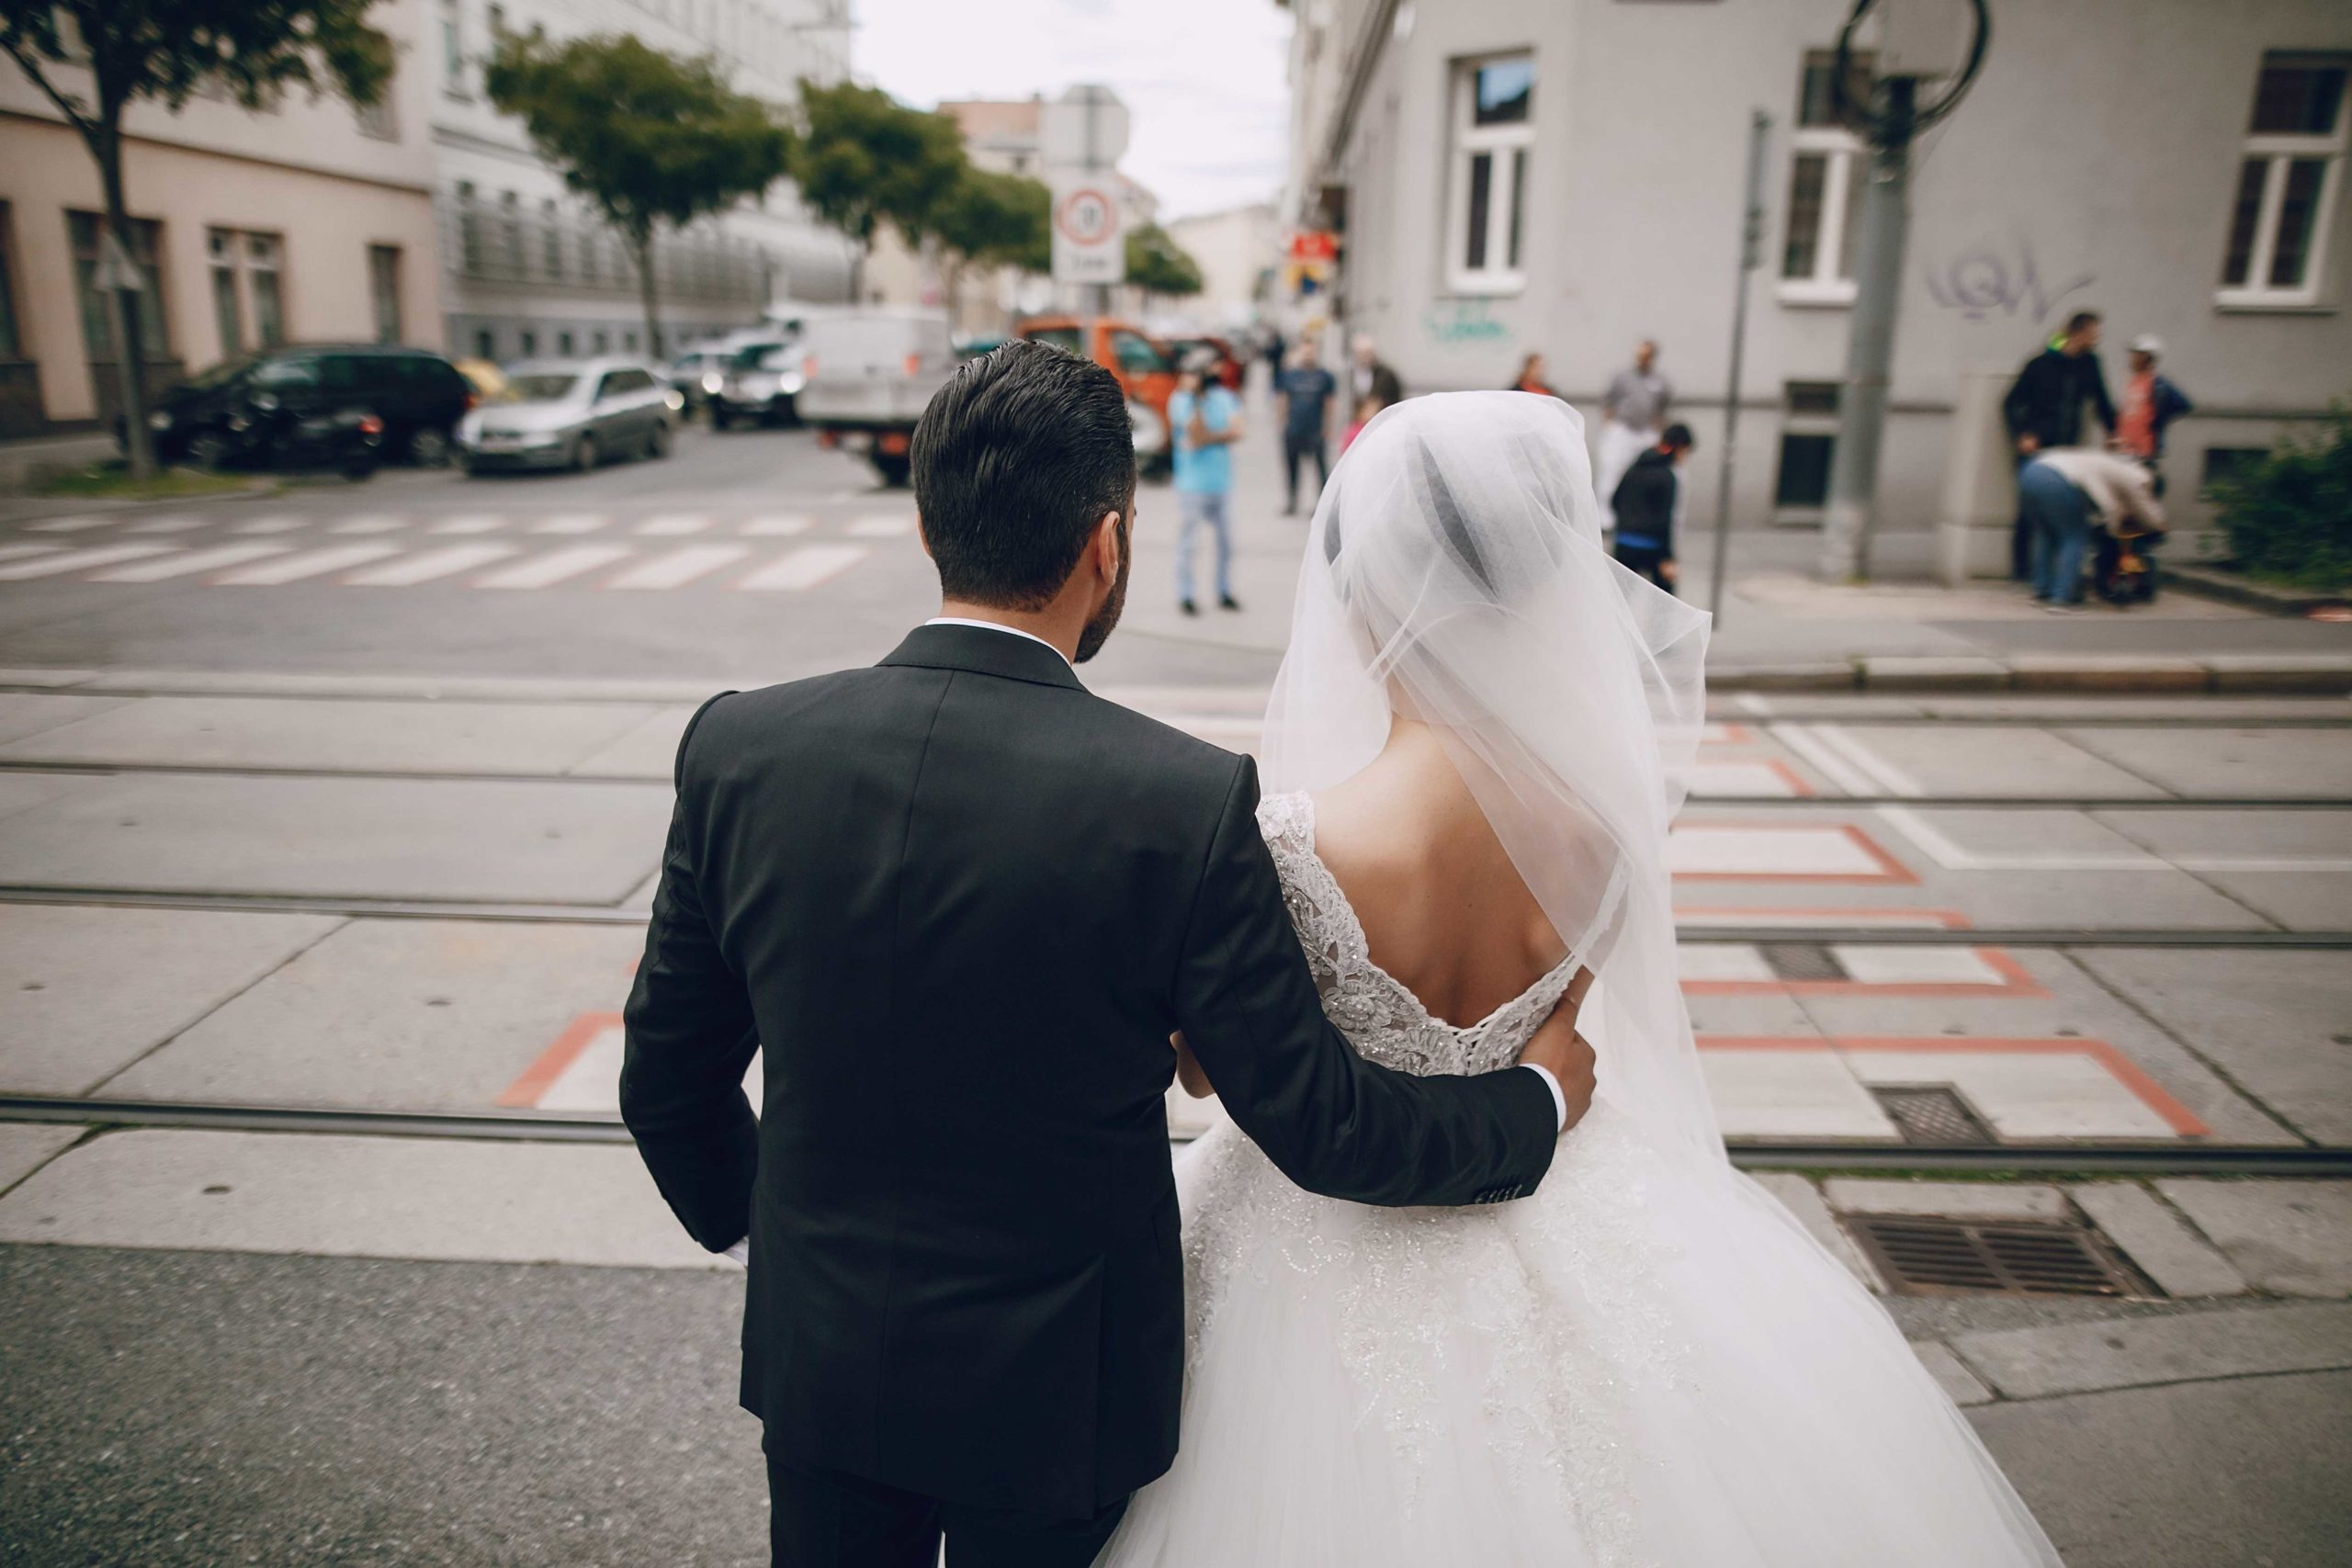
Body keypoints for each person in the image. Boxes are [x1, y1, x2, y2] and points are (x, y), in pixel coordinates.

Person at [621, 342, 1591, 1568]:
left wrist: (773, 1239)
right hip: (1056, 1398)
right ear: (1108, 545)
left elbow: (666, 1075)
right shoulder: (1178, 801)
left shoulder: (741, 749)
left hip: (828, 1365)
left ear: (931, 527)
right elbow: (1329, 1125)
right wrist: (1542, 1097)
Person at [1097, 392, 2062, 1568]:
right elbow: (1563, 1018)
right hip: (1553, 1182)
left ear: (1362, 602)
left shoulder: (1293, 837)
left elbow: (1213, 1075)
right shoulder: (1600, 822)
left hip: (1309, 1235)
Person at [2004, 310, 2116, 578]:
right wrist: (2022, 434)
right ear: (2078, 333)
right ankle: (2021, 570)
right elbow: (2010, 402)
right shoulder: (2041, 364)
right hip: (2037, 447)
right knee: (2029, 511)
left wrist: (2114, 431)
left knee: (2062, 511)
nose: (2097, 339)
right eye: (2094, 333)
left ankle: (2051, 573)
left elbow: (2102, 401)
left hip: (2067, 450)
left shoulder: (2089, 365)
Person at [2018, 446, 2165, 613]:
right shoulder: (2139, 477)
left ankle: (2041, 591)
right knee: (2075, 537)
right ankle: (2061, 598)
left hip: (2030, 473)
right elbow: (2121, 506)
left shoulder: (2108, 463)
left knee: (2046, 535)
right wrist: (2157, 525)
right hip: (2057, 480)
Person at [1169, 351, 1244, 615]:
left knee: (1226, 543)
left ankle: (1224, 591)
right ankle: (1186, 594)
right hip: (1192, 485)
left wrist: (1208, 438)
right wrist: (1197, 402)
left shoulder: (1225, 398)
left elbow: (1237, 431)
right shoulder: (1180, 401)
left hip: (1221, 483)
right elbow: (1196, 433)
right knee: (1189, 543)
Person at [1609, 421, 1693, 592]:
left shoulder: (1635, 468)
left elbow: (1615, 500)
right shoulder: (1668, 476)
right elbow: (1666, 519)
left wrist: (1628, 523)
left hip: (1624, 542)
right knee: (1666, 603)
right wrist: (1668, 557)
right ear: (1680, 448)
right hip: (1653, 547)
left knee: (1621, 602)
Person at [1595, 338, 1671, 507]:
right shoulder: (1622, 377)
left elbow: (1663, 405)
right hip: (1623, 428)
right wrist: (1610, 420)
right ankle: (1605, 516)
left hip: (1646, 430)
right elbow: (1608, 400)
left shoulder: (1659, 381)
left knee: (1647, 471)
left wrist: (1658, 423)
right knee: (1612, 470)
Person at [2114, 333, 2193, 482]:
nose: (2132, 358)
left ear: (2148, 357)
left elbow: (2183, 404)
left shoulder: (2158, 384)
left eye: (2136, 354)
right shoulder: (2133, 381)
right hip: (2124, 447)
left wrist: (2158, 420)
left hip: (2143, 449)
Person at [1278, 339, 1339, 515]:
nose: (1308, 356)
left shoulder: (1324, 377)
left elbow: (1329, 403)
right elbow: (1283, 399)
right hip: (1294, 428)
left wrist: (1328, 427)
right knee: (1292, 467)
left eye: (1311, 352)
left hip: (1315, 429)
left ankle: (1322, 503)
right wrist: (1282, 421)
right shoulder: (1290, 375)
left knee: (1320, 467)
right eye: (1305, 352)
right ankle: (1292, 501)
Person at [1350, 332, 1404, 410]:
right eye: (1360, 354)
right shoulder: (1351, 374)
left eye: (1367, 353)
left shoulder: (1385, 375)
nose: (1363, 358)